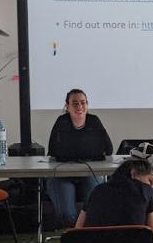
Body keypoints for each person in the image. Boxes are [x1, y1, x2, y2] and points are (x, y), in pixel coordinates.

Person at [46, 88, 112, 228]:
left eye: (83, 102)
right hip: (62, 174)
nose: (80, 107)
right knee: (67, 214)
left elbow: (109, 149)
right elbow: (52, 150)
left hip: (89, 172)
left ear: (87, 104)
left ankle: (86, 236)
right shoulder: (61, 122)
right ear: (67, 106)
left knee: (97, 208)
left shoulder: (94, 121)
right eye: (75, 103)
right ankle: (77, 235)